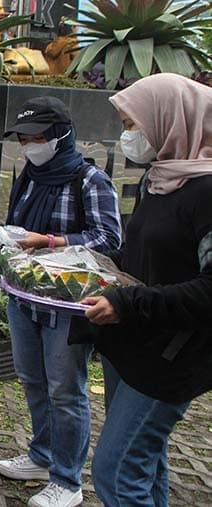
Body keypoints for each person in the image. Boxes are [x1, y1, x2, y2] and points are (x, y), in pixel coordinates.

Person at [0, 96, 122, 507]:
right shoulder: (30, 176)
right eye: (23, 139)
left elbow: (110, 239)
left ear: (60, 135)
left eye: (37, 137)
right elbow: (20, 229)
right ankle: (42, 456)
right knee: (33, 380)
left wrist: (52, 242)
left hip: (66, 308)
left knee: (65, 391)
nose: (29, 146)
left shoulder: (89, 180)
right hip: (25, 298)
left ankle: (68, 481)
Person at [81, 73, 212, 507]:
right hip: (133, 341)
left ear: (171, 119)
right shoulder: (159, 178)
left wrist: (125, 302)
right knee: (144, 461)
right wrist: (81, 266)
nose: (128, 137)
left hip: (173, 353)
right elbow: (141, 257)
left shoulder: (206, 191)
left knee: (116, 471)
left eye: (132, 124)